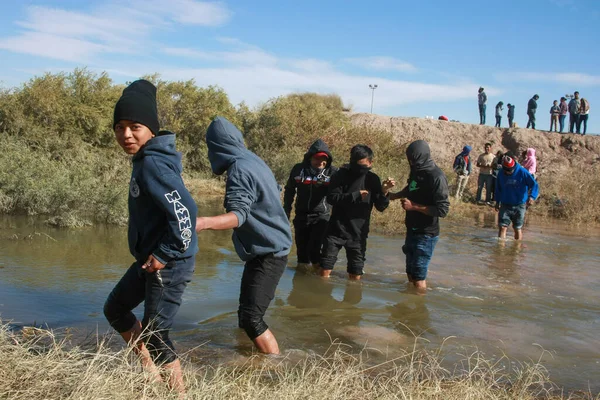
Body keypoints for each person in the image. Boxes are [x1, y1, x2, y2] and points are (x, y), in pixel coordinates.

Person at [103, 80, 199, 394]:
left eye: (135, 127)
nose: (126, 135)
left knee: (157, 333)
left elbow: (185, 212)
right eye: (119, 127)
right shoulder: (146, 159)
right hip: (150, 260)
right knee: (116, 308)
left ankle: (179, 394)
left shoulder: (153, 164)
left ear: (151, 129)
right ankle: (150, 373)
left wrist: (164, 253)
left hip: (169, 264)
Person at [195, 117, 292, 355]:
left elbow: (238, 216)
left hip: (269, 253)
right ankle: (247, 358)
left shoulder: (239, 168)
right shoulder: (254, 160)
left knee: (251, 318)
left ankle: (275, 366)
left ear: (216, 146)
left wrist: (202, 222)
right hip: (268, 247)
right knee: (245, 314)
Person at [319, 144, 392, 280]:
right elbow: (331, 198)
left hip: (358, 234)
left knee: (355, 275)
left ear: (371, 163)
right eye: (357, 165)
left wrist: (384, 191)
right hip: (336, 231)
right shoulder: (340, 175)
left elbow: (381, 207)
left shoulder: (372, 179)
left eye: (364, 165)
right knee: (324, 270)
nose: (360, 169)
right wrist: (354, 195)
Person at [385, 140, 449, 291]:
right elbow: (410, 189)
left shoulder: (437, 177)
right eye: (409, 159)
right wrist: (391, 195)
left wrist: (413, 207)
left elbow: (442, 210)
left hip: (427, 234)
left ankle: (419, 309)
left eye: (414, 158)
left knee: (419, 276)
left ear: (423, 156)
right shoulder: (416, 171)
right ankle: (408, 307)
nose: (411, 162)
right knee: (410, 272)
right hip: (411, 229)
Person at [283, 139, 337, 270]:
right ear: (310, 158)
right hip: (301, 215)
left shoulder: (333, 172)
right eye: (317, 159)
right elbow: (289, 190)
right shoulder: (298, 169)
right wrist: (286, 211)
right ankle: (301, 279)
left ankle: (318, 275)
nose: (320, 162)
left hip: (322, 216)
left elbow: (338, 195)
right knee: (301, 251)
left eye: (324, 159)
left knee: (314, 249)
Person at [495, 155, 539, 240]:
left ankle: (517, 250)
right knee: (502, 227)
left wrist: (532, 197)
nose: (508, 172)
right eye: (506, 170)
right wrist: (497, 201)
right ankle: (500, 250)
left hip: (519, 205)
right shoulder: (500, 173)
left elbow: (534, 185)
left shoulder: (522, 172)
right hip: (505, 204)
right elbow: (498, 188)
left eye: (510, 170)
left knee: (517, 228)